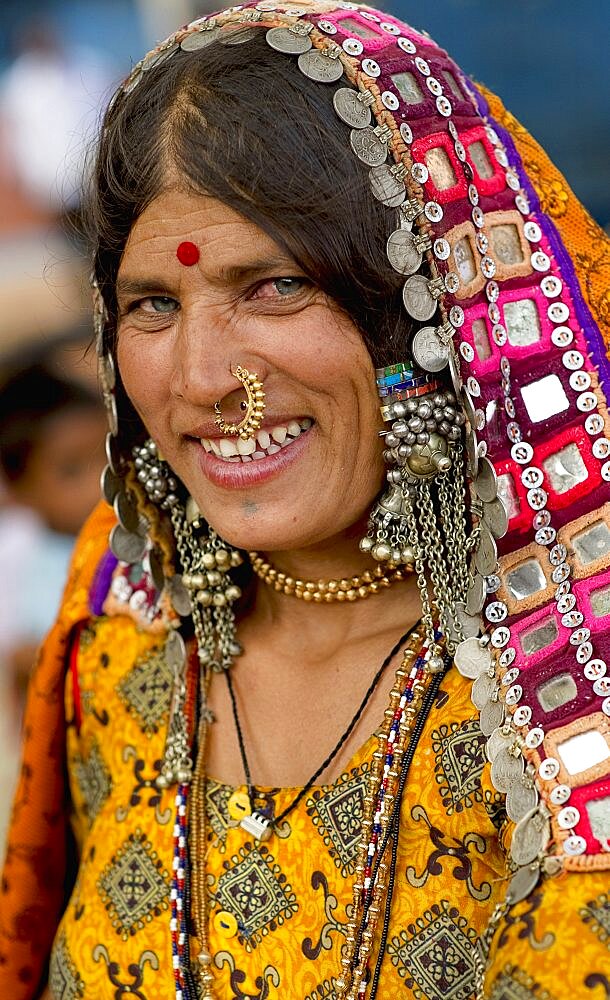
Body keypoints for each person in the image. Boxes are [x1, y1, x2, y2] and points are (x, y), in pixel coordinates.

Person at [1, 3, 609, 998]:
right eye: (153, 302)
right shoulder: (118, 620)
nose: (203, 380)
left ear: (434, 309)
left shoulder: (570, 688)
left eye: (274, 286)